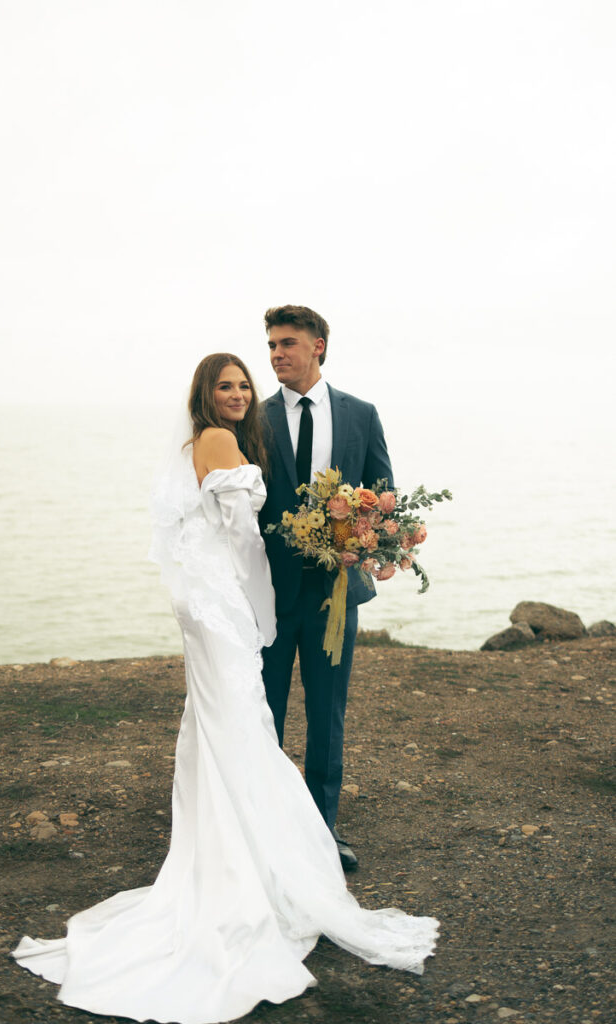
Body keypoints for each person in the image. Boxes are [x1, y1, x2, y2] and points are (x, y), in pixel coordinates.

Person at [11, 353, 436, 1024]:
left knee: (230, 727)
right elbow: (242, 538)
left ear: (317, 348)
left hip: (217, 603)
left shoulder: (251, 433)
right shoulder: (222, 438)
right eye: (228, 384)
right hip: (226, 605)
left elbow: (203, 528)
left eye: (246, 383)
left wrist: (354, 540)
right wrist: (258, 601)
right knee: (240, 725)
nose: (241, 391)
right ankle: (259, 865)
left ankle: (245, 849)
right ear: (206, 395)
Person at [259, 305, 394, 872]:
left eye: (287, 343)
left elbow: (384, 494)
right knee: (263, 715)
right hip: (265, 594)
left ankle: (321, 833)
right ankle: (261, 831)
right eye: (270, 345)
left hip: (334, 594)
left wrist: (374, 542)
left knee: (327, 714)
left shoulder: (360, 414)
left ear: (318, 346)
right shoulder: (252, 418)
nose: (276, 354)